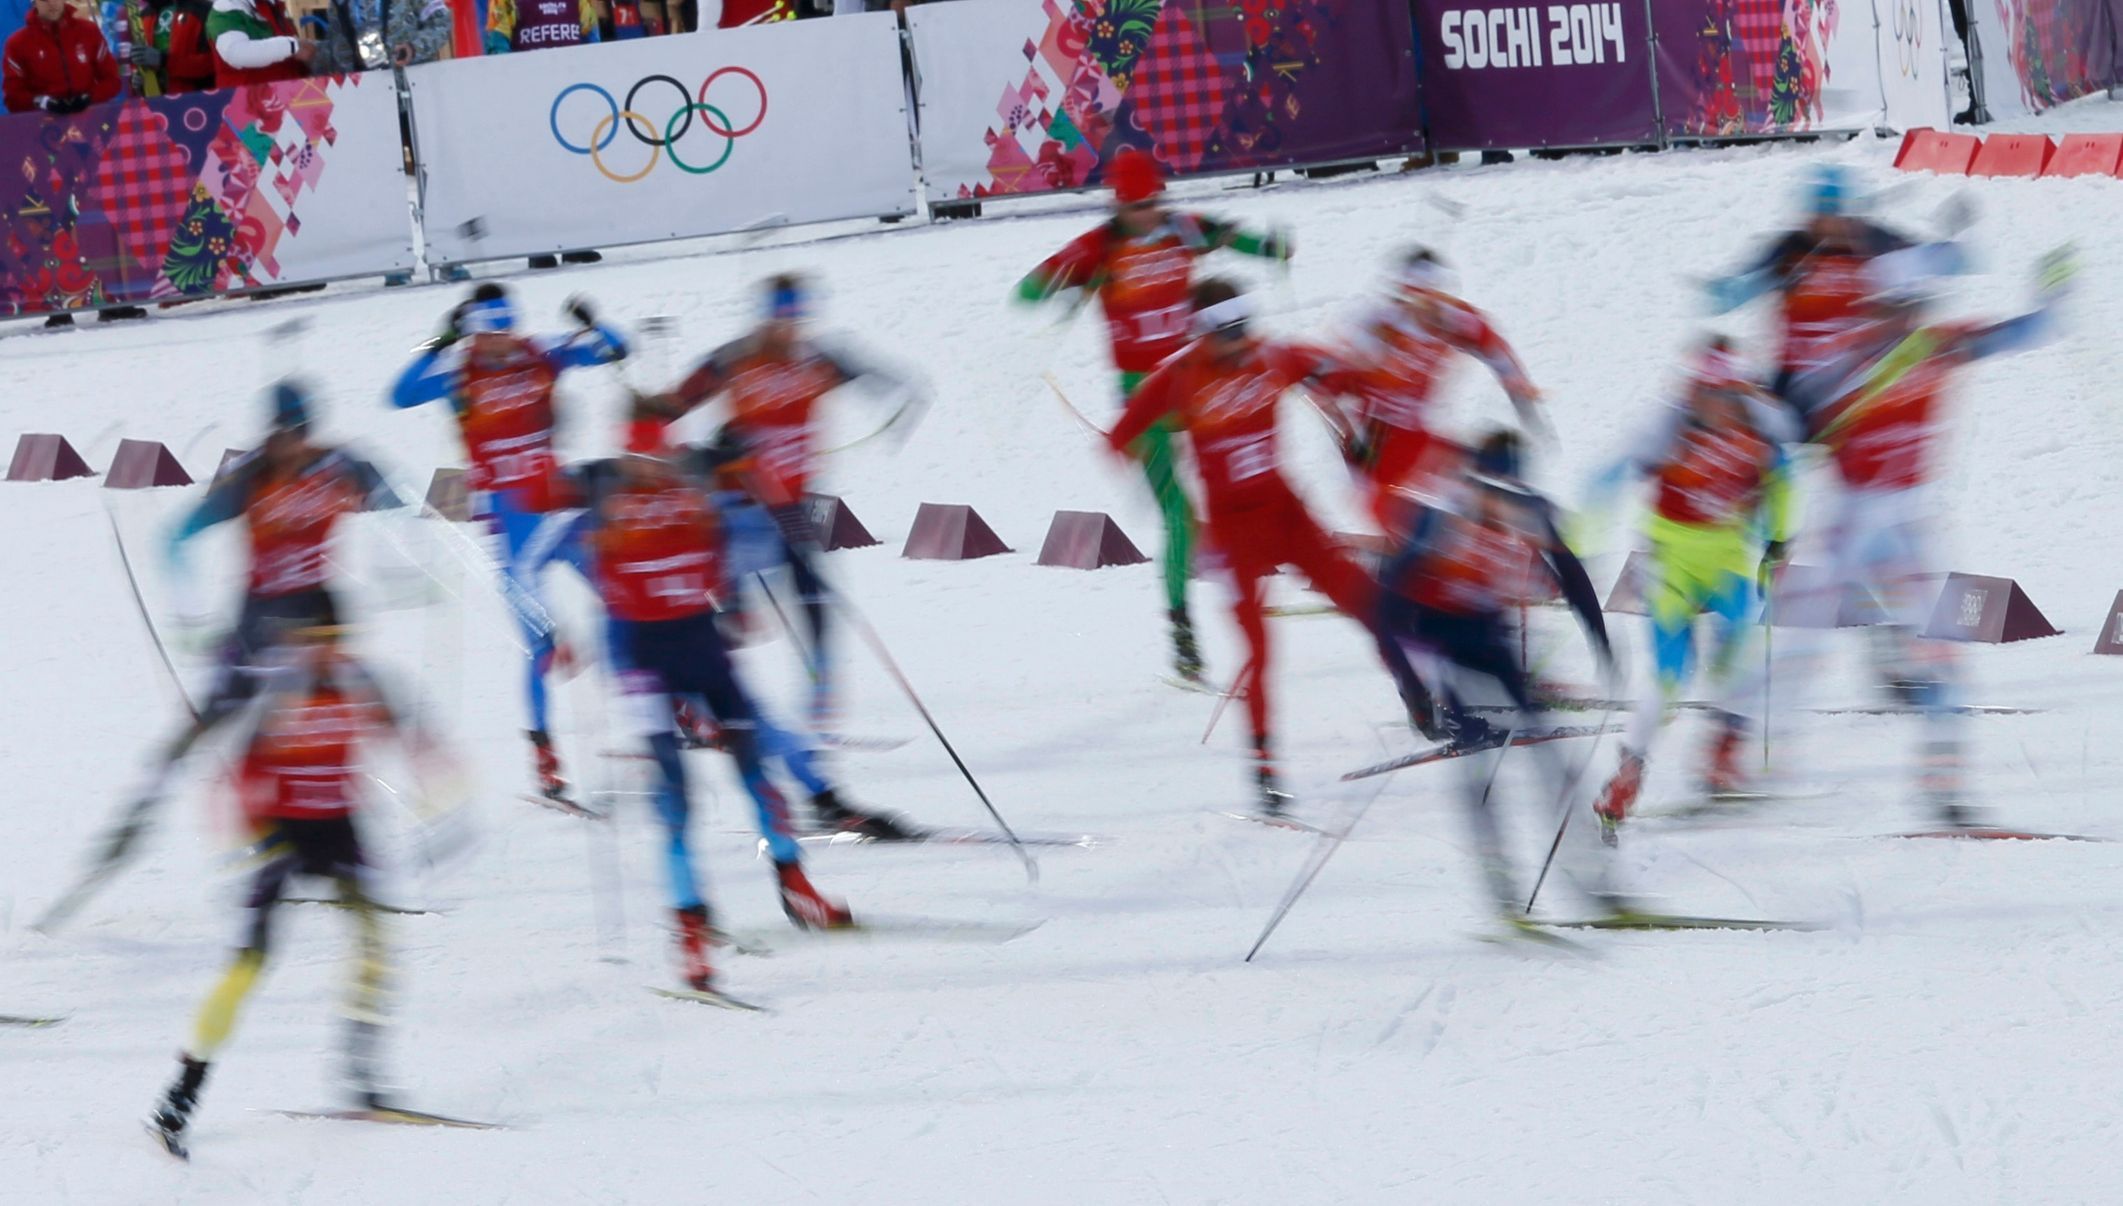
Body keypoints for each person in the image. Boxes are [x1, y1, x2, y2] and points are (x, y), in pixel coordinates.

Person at [39, 383, 402, 935]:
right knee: (203, 730)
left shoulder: (340, 466)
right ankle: (132, 828)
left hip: (318, 627)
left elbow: (399, 502)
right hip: (257, 629)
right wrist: (190, 617)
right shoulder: (250, 478)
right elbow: (175, 538)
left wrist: (406, 555)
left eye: (299, 433)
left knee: (316, 741)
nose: (290, 445)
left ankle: (322, 852)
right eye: (281, 434)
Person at [1756, 244, 2073, 827]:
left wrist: (2054, 297)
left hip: (1907, 522)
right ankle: (1738, 760)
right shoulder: (1841, 363)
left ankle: (1943, 788)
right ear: (1871, 308)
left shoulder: (1939, 346)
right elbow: (1775, 421)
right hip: (1850, 520)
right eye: (1889, 309)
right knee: (1803, 646)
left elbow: (2026, 332)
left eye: (1910, 309)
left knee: (1945, 658)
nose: (1900, 320)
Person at [147, 624, 462, 1159]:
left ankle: (361, 1073)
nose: (323, 650)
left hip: (339, 832)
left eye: (334, 638)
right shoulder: (280, 692)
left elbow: (407, 732)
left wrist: (441, 788)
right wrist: (248, 833)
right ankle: (180, 1096)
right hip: (286, 836)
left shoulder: (358, 682)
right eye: (314, 640)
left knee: (376, 948)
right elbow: (240, 773)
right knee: (247, 967)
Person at [575, 431, 854, 994]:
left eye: (663, 460)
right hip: (648, 672)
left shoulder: (692, 497)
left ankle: (797, 887)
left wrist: (745, 474)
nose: (658, 471)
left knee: (760, 781)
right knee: (677, 806)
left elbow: (737, 527)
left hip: (707, 659)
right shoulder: (611, 514)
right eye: (646, 460)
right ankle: (691, 937)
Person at [1017, 148, 1290, 684]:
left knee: (1241, 480)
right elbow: (1026, 292)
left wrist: (1273, 247)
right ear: (1118, 205)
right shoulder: (1098, 247)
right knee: (1177, 513)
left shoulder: (1183, 228)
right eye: (1136, 206)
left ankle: (1259, 564)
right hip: (1144, 401)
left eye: (1153, 202)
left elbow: (1239, 238)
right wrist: (1064, 282)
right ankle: (1182, 629)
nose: (1148, 214)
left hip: (1197, 386)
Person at [1105, 278, 1375, 815]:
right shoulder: (1178, 377)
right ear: (1203, 333)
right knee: (1258, 648)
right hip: (1232, 535)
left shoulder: (1271, 355)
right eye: (1228, 332)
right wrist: (1167, 480)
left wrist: (1352, 421)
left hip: (1286, 513)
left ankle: (1424, 698)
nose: (1240, 341)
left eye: (1244, 327)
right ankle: (1265, 769)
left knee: (1363, 599)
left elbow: (1338, 375)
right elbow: (1118, 438)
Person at [388, 283, 629, 806]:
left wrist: (592, 321)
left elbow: (617, 348)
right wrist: (438, 341)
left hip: (561, 514)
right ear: (472, 332)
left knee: (630, 599)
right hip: (511, 528)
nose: (503, 341)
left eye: (508, 327)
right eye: (492, 332)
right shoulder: (459, 372)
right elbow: (398, 394)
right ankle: (544, 755)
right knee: (542, 646)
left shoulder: (538, 351)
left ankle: (680, 710)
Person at [1372, 431, 1623, 927]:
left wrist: (1601, 641)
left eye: (1508, 490)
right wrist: (1414, 690)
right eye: (1490, 490)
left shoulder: (1529, 510)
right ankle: (1502, 890)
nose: (1500, 503)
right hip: (1440, 639)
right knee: (1481, 767)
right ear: (1473, 482)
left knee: (1550, 758)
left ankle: (1593, 881)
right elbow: (1382, 609)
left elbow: (1571, 577)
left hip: (1491, 634)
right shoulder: (1439, 520)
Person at [654, 273, 919, 733]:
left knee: (814, 594)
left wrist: (901, 399)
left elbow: (882, 380)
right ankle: (686, 701)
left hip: (792, 505)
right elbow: (665, 412)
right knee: (729, 619)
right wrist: (704, 452)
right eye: (780, 320)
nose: (788, 330)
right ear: (765, 318)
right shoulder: (734, 359)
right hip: (738, 506)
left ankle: (820, 698)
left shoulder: (819, 359)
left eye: (796, 320)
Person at [1578, 336, 1795, 838]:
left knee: (1745, 656)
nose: (1714, 406)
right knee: (1669, 678)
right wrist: (1583, 545)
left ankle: (1722, 751)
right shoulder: (1666, 429)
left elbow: (1783, 484)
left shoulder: (1759, 434)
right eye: (1705, 394)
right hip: (1668, 565)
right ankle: (1627, 775)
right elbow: (1606, 478)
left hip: (1727, 562)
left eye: (1725, 395)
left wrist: (1779, 539)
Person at [1704, 164, 1962, 424]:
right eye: (1817, 215)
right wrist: (1727, 291)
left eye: (1832, 214)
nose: (1826, 224)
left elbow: (1923, 258)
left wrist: (1944, 254)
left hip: (1850, 372)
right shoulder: (1792, 249)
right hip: (1796, 376)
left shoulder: (1870, 240)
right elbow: (1745, 284)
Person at [1318, 248, 1542, 530]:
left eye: (1438, 298)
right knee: (1413, 527)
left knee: (1500, 468)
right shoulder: (1373, 326)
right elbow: (1320, 386)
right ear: (1401, 296)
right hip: (1375, 454)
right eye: (1420, 299)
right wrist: (1349, 437)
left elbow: (1492, 346)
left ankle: (1516, 536)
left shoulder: (1452, 318)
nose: (1431, 311)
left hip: (1420, 441)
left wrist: (1519, 389)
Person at [2, 0, 120, 114]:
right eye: (44, 0)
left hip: (92, 120)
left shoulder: (89, 32)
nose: (52, 3)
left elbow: (112, 80)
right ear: (34, 3)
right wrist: (43, 102)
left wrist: (90, 97)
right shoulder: (17, 43)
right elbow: (13, 97)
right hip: (42, 123)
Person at [309, 0, 451, 73]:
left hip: (416, 87)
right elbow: (336, 52)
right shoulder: (338, 3)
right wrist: (309, 51)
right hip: (367, 96)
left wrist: (413, 48)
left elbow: (442, 22)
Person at [207, 0, 310, 86]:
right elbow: (236, 53)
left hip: (286, 92)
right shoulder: (225, 10)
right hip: (246, 97)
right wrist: (292, 46)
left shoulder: (273, 5)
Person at [129, 0, 214, 94]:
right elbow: (136, 61)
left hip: (196, 98)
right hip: (155, 99)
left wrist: (164, 60)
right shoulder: (143, 16)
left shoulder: (203, 10)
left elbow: (212, 64)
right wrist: (137, 79)